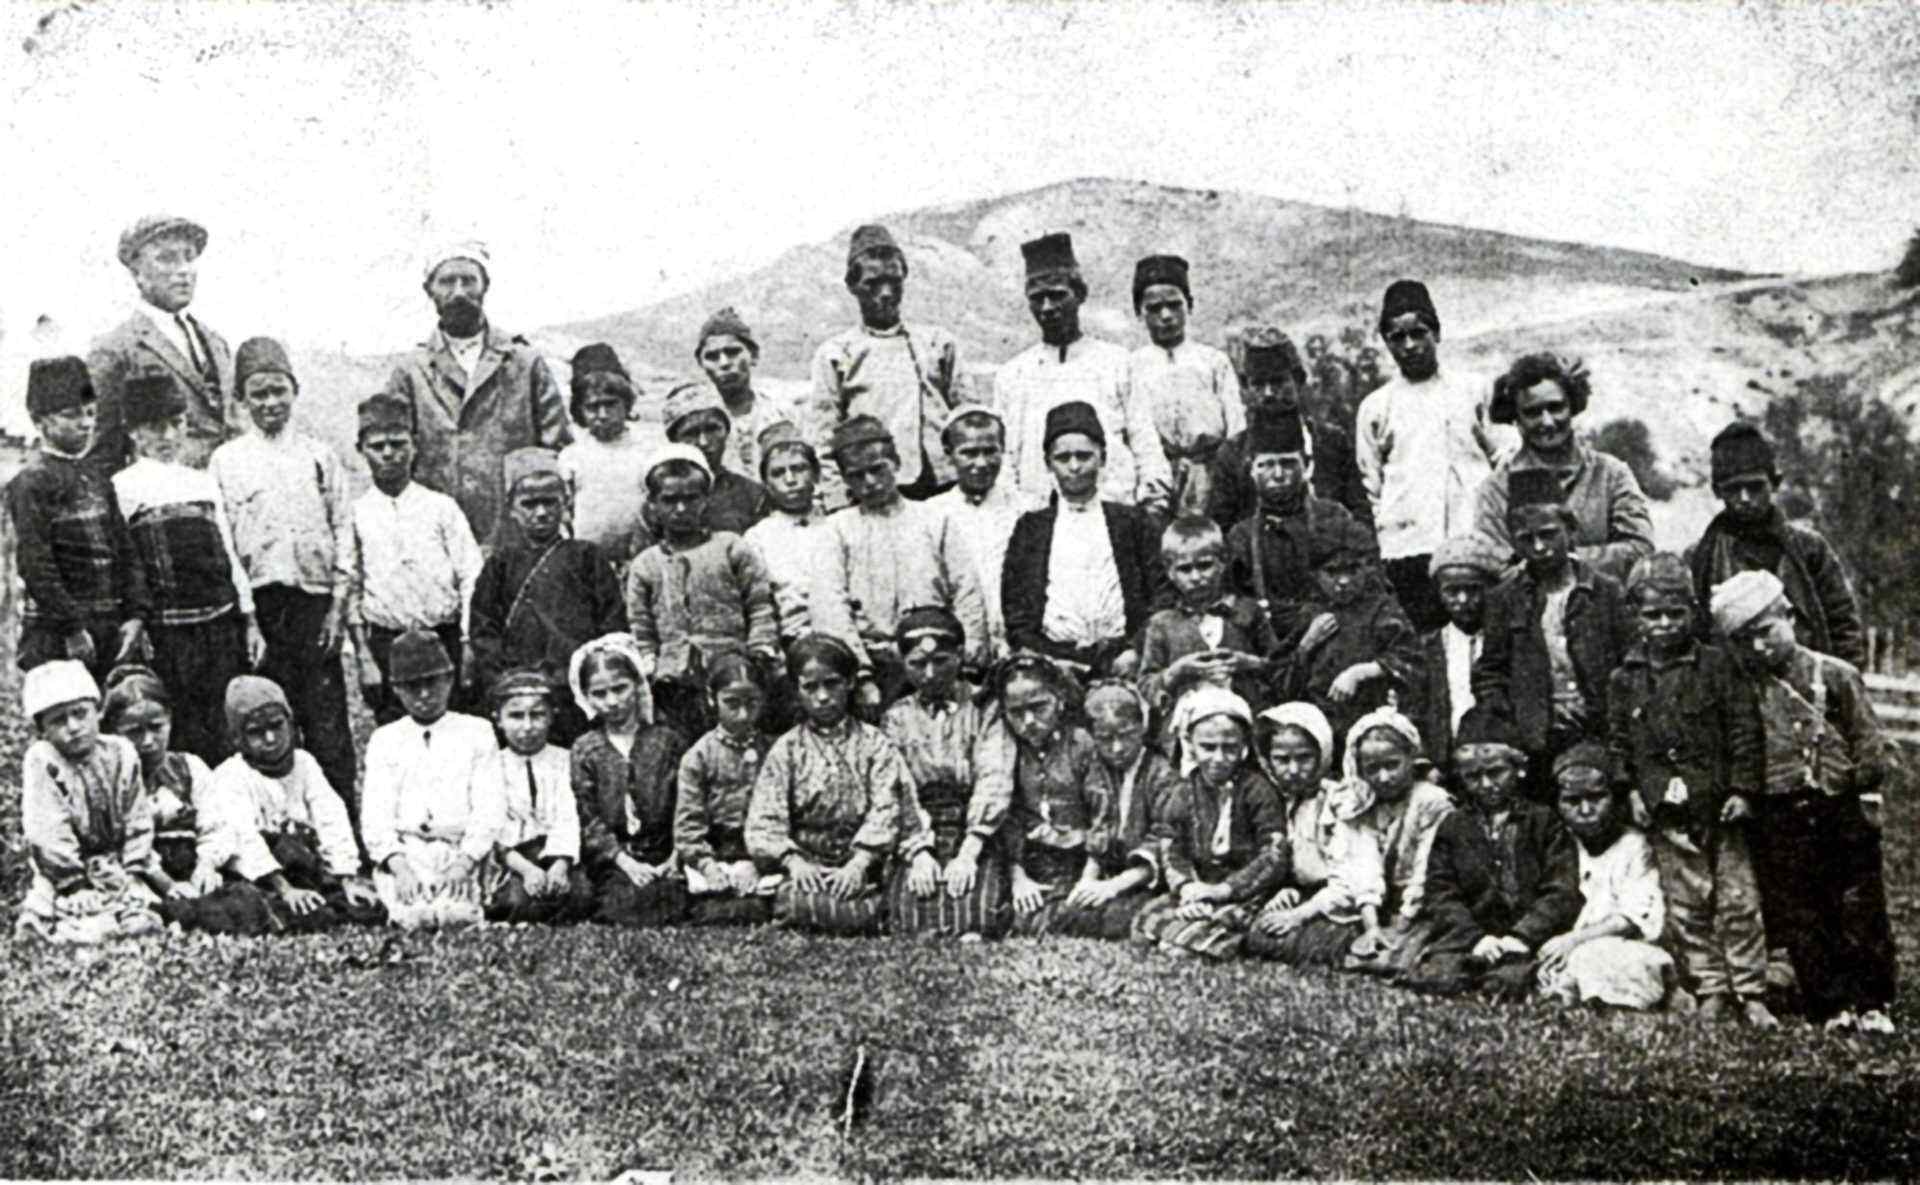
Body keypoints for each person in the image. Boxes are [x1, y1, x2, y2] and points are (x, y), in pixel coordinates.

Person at [1713, 570, 1899, 1034]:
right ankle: (1829, 1004)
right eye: (1745, 640)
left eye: (1766, 631)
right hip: (1780, 814)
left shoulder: (1834, 675)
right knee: (1803, 910)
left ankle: (1872, 1000)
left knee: (1859, 906)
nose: (1759, 647)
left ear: (1790, 616)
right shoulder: (1743, 689)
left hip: (1840, 807)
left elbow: (1868, 744)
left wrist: (1860, 789)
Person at [1607, 552, 1770, 1024]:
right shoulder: (1625, 678)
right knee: (1686, 905)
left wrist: (1742, 790)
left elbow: (1744, 729)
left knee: (1739, 901)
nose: (1664, 625)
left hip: (1717, 805)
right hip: (1666, 809)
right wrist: (1631, 791)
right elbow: (1618, 743)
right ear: (1635, 616)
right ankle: (1711, 985)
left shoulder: (1717, 666)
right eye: (1652, 615)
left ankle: (1751, 990)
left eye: (1675, 613)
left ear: (1693, 613)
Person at [208, 337, 358, 812]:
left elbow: (343, 527)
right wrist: (250, 620)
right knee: (271, 723)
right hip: (263, 609)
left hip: (314, 606)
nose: (270, 403)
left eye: (279, 391)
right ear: (242, 400)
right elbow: (227, 544)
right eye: (258, 394)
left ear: (295, 391)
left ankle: (343, 830)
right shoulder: (227, 460)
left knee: (327, 725)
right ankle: (283, 829)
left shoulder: (319, 456)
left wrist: (337, 608)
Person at [111, 372, 264, 766]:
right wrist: (138, 621)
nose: (167, 435)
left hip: (219, 625)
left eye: (175, 423)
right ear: (134, 432)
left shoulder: (203, 482)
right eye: (154, 427)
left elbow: (229, 554)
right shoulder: (123, 486)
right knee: (179, 726)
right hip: (168, 632)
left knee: (223, 722)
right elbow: (125, 566)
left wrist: (249, 620)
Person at [383, 240, 571, 546]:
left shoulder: (524, 363)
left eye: (468, 281)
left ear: (485, 286)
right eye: (447, 281)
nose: (459, 292)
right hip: (437, 538)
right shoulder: (410, 371)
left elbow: (557, 447)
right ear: (429, 290)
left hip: (514, 536)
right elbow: (392, 454)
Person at [1398, 707, 1581, 1000]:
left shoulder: (1543, 821)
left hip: (1524, 938)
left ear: (1519, 768)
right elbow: (1441, 891)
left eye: (1496, 772)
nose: (1485, 785)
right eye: (1473, 776)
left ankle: (1510, 972)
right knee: (1437, 976)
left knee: (1506, 983)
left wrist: (1521, 936)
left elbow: (1560, 889)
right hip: (1470, 937)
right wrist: (1476, 938)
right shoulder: (1454, 825)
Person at [1356, 279, 1505, 631]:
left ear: (1436, 333)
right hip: (1408, 549)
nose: (1409, 346)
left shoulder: (1474, 390)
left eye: (1418, 333)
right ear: (1386, 342)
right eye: (1397, 337)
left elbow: (1504, 459)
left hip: (1473, 542)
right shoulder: (1376, 407)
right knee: (1423, 640)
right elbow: (1371, 484)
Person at [814, 415, 989, 711]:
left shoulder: (934, 520)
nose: (870, 482)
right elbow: (830, 605)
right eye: (857, 475)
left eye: (877, 469)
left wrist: (968, 662)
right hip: (877, 665)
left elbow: (966, 591)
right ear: (844, 479)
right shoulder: (836, 530)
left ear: (895, 463)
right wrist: (861, 675)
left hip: (938, 658)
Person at [1472, 469, 1634, 784]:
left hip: (1602, 735)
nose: (1539, 548)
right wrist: (1515, 719)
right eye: (1526, 539)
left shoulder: (1606, 591)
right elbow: (1490, 672)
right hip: (1537, 745)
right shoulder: (1504, 599)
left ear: (1570, 529)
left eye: (1548, 534)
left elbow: (1629, 663)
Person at [746, 634, 915, 935]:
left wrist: (859, 864)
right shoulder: (787, 749)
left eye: (832, 684)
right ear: (797, 690)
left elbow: (886, 807)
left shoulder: (875, 744)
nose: (822, 697)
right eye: (810, 687)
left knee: (879, 903)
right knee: (797, 901)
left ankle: (862, 907)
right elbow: (765, 817)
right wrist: (794, 862)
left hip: (861, 866)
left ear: (850, 682)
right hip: (807, 865)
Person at [995, 232, 1171, 514]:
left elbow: (1145, 442)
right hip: (1036, 514)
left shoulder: (1117, 362)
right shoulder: (1012, 374)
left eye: (1057, 295)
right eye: (1037, 298)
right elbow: (1006, 457)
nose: (1047, 307)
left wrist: (1153, 504)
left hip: (1114, 511)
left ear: (1080, 295)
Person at [101, 664, 277, 936]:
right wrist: (166, 884)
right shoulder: (111, 780)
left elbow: (216, 824)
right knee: (134, 904)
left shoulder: (189, 767)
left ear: (170, 720)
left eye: (156, 727)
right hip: (143, 875)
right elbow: (125, 845)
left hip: (190, 869)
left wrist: (206, 864)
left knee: (246, 901)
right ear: (114, 733)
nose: (148, 741)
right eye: (134, 732)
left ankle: (185, 916)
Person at [469, 447, 626, 746]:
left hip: (580, 693)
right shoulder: (500, 564)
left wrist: (594, 677)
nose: (541, 512)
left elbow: (612, 623)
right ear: (512, 508)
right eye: (529, 504)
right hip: (522, 696)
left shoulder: (588, 557)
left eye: (550, 502)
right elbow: (484, 629)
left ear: (565, 502)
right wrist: (509, 682)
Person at [808, 225, 973, 509]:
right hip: (875, 488)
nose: (885, 293)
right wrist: (837, 500)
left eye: (894, 281)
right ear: (853, 286)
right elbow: (824, 436)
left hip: (944, 485)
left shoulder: (938, 342)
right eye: (872, 283)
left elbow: (967, 415)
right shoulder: (836, 353)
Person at [623, 444, 779, 737]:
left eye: (691, 498)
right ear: (653, 503)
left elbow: (759, 604)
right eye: (670, 500)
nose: (681, 509)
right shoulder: (646, 564)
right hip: (673, 680)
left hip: (732, 671)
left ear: (706, 498)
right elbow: (640, 622)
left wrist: (759, 649)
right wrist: (650, 662)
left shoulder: (731, 547)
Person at [1002, 401, 1166, 679]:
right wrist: (1048, 660)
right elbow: (1015, 609)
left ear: (1102, 458)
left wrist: (1137, 649)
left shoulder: (1131, 522)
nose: (1074, 466)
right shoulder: (1031, 529)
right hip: (1055, 663)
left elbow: (1160, 593)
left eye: (1084, 456)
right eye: (1063, 458)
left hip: (1124, 659)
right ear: (1048, 463)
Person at [347, 394, 485, 724]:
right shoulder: (356, 514)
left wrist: (468, 643)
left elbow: (471, 574)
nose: (388, 454)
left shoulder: (441, 507)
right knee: (398, 729)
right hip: (388, 642)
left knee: (456, 725)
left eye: (398, 444)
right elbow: (351, 586)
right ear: (361, 450)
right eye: (377, 446)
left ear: (415, 445)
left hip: (445, 637)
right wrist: (364, 655)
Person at [8, 356, 149, 678]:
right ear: (40, 421)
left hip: (110, 627)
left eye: (90, 413)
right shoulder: (30, 483)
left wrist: (136, 615)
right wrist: (71, 627)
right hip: (58, 634)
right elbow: (36, 563)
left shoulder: (98, 478)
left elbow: (125, 550)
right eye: (71, 415)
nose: (85, 423)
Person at [209, 675, 384, 932]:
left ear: (290, 723)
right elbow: (244, 838)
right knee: (258, 909)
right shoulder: (230, 776)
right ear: (238, 738)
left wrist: (346, 878)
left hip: (304, 865)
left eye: (276, 726)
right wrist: (285, 889)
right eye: (256, 732)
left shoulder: (304, 763)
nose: (270, 738)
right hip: (261, 874)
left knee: (365, 909)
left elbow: (330, 816)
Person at [881, 607, 1016, 940]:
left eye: (941, 661)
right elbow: (896, 787)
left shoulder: (985, 707)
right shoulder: (897, 717)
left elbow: (995, 776)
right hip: (919, 824)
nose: (930, 674)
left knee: (978, 911)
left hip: (974, 826)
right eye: (917, 664)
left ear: (959, 654)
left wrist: (969, 852)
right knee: (909, 913)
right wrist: (918, 852)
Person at [998, 655, 1154, 939]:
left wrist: (1088, 879)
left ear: (1058, 700)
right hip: (1031, 861)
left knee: (1083, 913)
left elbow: (1102, 812)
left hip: (1079, 860)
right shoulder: (1009, 748)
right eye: (1016, 713)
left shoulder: (1081, 744)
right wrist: (1018, 877)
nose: (1029, 722)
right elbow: (1010, 815)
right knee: (1009, 913)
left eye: (1039, 708)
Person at [1132, 687, 1290, 961]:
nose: (1218, 758)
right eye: (1208, 747)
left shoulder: (1258, 790)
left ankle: (1199, 937)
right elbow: (1172, 848)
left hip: (1245, 890)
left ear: (1244, 747)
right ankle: (1190, 931)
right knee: (1144, 920)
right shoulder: (1183, 791)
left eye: (1229, 748)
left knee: (1221, 922)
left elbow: (1272, 854)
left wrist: (1222, 891)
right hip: (1200, 885)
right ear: (1190, 744)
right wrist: (1188, 888)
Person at [1689, 422, 1865, 668]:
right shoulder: (1701, 558)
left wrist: (1843, 681)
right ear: (1717, 491)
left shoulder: (1810, 549)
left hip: (1807, 678)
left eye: (1755, 487)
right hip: (1732, 682)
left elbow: (1843, 626)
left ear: (1775, 482)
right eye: (1733, 489)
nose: (1744, 498)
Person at [14, 660, 166, 945]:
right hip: (66, 866)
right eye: (58, 720)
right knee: (55, 902)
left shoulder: (120, 752)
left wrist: (133, 866)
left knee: (138, 903)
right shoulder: (43, 760)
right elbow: (47, 829)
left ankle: (130, 916)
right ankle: (46, 922)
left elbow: (137, 816)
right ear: (42, 729)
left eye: (80, 713)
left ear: (98, 712)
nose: (73, 727)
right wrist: (74, 883)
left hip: (116, 860)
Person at [1471, 352, 1654, 583]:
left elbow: (1640, 549)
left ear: (1573, 406)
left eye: (1556, 408)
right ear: (1516, 417)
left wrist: (1560, 562)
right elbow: (1494, 565)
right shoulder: (1496, 489)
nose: (1547, 422)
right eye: (1532, 412)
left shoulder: (1610, 474)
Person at [360, 630, 496, 930]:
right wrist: (399, 866)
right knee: (414, 916)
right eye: (412, 686)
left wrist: (465, 863)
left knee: (455, 914)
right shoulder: (385, 739)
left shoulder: (477, 732)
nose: (423, 695)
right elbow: (375, 816)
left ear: (449, 678)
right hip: (408, 851)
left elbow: (489, 809)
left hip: (459, 849)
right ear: (396, 688)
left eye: (432, 683)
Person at [86, 214, 237, 473]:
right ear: (137, 273)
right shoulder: (115, 349)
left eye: (189, 257)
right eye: (167, 259)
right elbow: (101, 455)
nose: (183, 270)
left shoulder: (216, 343)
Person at [1536, 744, 1677, 1011]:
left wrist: (1573, 940)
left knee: (1602, 958)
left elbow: (1633, 917)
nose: (1585, 810)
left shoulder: (1634, 845)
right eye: (1573, 801)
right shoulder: (1556, 844)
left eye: (1596, 798)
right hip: (1561, 945)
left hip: (1620, 943)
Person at [1272, 508, 1420, 757]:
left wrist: (1362, 672)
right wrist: (1306, 645)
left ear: (1367, 568)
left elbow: (1413, 660)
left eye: (1352, 570)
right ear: (1315, 574)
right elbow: (1280, 681)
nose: (1343, 581)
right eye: (1332, 572)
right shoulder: (1310, 614)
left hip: (1372, 731)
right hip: (1321, 733)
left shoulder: (1382, 610)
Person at [1245, 703, 1381, 966]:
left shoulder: (1339, 802)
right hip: (1305, 897)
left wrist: (1300, 914)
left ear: (1322, 754)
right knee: (1260, 933)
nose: (1293, 770)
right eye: (1282, 760)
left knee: (1291, 940)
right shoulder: (1278, 801)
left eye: (1304, 758)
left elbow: (1352, 877)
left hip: (1343, 902)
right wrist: (1288, 891)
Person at [571, 634, 691, 928]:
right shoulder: (586, 749)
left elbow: (687, 804)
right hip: (616, 858)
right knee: (623, 903)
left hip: (664, 852)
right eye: (600, 694)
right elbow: (588, 818)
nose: (612, 702)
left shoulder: (667, 741)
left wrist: (675, 857)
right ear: (586, 697)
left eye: (620, 689)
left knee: (670, 897)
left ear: (637, 685)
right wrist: (624, 862)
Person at [1224, 406, 1367, 647]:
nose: (1278, 474)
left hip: (1334, 637)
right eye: (1266, 465)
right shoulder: (1241, 537)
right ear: (1251, 469)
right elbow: (1235, 608)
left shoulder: (1335, 519)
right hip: (1268, 647)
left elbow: (1369, 591)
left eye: (1288, 463)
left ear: (1307, 466)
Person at [1334, 708, 1457, 978]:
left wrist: (1403, 922)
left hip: (1424, 906)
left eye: (1392, 765)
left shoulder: (1431, 801)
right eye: (1372, 769)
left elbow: (1426, 871)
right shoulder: (1362, 804)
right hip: (1381, 906)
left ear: (1411, 758)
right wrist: (1372, 926)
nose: (1383, 777)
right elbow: (1364, 866)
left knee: (1395, 959)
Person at [1208, 329, 1370, 531]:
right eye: (1258, 384)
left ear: (1298, 380)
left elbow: (1360, 512)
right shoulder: (1233, 454)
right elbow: (1222, 526)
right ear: (1245, 388)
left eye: (1278, 382)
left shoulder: (1331, 442)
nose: (1268, 393)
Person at [469, 667, 594, 924]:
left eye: (537, 715)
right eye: (516, 716)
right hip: (513, 857)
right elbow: (491, 822)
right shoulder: (491, 765)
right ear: (498, 719)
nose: (527, 727)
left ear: (551, 716)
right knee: (516, 903)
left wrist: (560, 865)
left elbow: (567, 815)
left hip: (555, 851)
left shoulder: (564, 760)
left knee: (580, 896)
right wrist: (526, 870)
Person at [1127, 254, 1241, 517]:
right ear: (1139, 312)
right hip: (1155, 477)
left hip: (1212, 474)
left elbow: (1236, 426)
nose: (1166, 316)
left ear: (1189, 305)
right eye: (1154, 308)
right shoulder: (1131, 366)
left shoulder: (1213, 361)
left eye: (1174, 305)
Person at [674, 653, 781, 926]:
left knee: (766, 900)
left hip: (763, 852)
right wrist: (708, 866)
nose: (743, 715)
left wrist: (759, 862)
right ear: (712, 699)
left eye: (752, 703)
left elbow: (786, 814)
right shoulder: (699, 756)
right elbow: (688, 824)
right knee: (714, 906)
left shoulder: (776, 751)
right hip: (716, 851)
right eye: (732, 704)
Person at [1136, 516, 1279, 722]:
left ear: (1222, 562)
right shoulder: (1163, 623)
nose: (1196, 577)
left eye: (1204, 566)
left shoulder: (1247, 611)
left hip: (1244, 719)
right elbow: (1146, 684)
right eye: (1185, 569)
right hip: (1186, 723)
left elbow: (1278, 667)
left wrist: (1248, 663)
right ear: (1170, 572)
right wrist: (1178, 670)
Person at [927, 405, 1031, 661]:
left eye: (990, 451)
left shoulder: (1026, 509)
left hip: (1019, 642)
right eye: (969, 453)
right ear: (949, 454)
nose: (982, 463)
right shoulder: (931, 514)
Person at [630, 382, 772, 551]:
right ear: (674, 440)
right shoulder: (658, 498)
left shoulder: (752, 495)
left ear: (726, 431)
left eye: (713, 429)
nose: (704, 442)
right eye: (690, 433)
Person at [1411, 535, 1508, 766]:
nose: (1463, 600)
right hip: (1443, 765)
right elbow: (1416, 711)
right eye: (1452, 591)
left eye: (1474, 590)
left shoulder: (1510, 641)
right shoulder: (1426, 647)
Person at [558, 343, 656, 555]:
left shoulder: (647, 449)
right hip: (587, 556)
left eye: (610, 404)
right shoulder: (572, 456)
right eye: (593, 407)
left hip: (640, 552)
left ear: (626, 404)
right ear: (579, 410)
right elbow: (565, 511)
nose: (602, 415)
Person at [742, 423, 834, 649]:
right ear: (766, 483)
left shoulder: (836, 525)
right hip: (792, 641)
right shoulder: (758, 538)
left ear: (816, 474)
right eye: (778, 473)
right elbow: (759, 604)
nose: (790, 480)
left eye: (799, 469)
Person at [695, 306, 792, 485]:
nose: (724, 363)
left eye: (733, 352)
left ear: (753, 355)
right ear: (701, 364)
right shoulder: (696, 424)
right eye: (712, 356)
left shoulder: (783, 414)